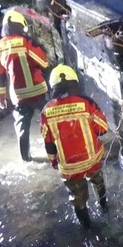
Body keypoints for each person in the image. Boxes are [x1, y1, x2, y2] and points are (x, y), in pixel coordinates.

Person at [41, 64, 109, 228]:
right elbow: (103, 129)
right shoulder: (87, 103)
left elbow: (48, 142)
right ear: (75, 82)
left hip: (69, 167)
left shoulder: (46, 111)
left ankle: (86, 227)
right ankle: (104, 206)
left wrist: (54, 162)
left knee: (77, 198)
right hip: (92, 159)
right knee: (98, 182)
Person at [0, 9, 50, 162]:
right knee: (49, 120)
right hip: (38, 90)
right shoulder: (26, 42)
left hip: (18, 96)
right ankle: (55, 152)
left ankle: (26, 158)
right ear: (19, 25)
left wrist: (1, 97)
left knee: (22, 128)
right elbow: (44, 62)